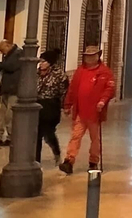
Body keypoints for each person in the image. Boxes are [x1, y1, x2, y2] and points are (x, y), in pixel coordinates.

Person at [59, 45, 116, 174]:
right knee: (75, 136)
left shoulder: (105, 72)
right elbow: (73, 89)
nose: (89, 59)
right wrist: (67, 105)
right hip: (80, 111)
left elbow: (110, 89)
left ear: (98, 56)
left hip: (95, 113)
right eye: (87, 56)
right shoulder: (80, 71)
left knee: (95, 138)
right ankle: (69, 160)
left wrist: (102, 101)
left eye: (92, 56)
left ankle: (93, 161)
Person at [0, 40, 26, 144]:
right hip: (5, 89)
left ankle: (11, 137)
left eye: (2, 50)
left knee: (10, 115)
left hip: (13, 90)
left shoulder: (18, 54)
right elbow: (4, 69)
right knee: (1, 114)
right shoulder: (9, 55)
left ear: (8, 45)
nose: (1, 53)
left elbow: (10, 67)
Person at [36, 51, 68, 163]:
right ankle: (36, 160)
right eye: (40, 61)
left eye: (43, 61)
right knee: (37, 134)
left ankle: (56, 152)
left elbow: (63, 91)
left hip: (51, 106)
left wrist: (65, 106)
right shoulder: (36, 73)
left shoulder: (59, 75)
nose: (41, 64)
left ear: (50, 62)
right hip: (37, 105)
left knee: (48, 132)